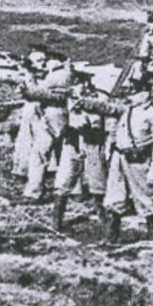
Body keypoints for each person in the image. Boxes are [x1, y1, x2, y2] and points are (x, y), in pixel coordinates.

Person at [76, 71, 153, 242]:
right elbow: (106, 108)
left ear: (145, 93)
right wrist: (84, 103)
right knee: (114, 197)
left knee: (145, 199)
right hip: (119, 158)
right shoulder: (128, 110)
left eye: (134, 91)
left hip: (138, 160)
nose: (130, 94)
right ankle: (111, 237)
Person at [51, 70, 110, 230]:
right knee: (63, 181)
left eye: (85, 82)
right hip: (73, 143)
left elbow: (108, 125)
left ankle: (106, 220)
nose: (82, 86)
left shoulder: (101, 98)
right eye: (78, 82)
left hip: (93, 143)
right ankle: (56, 221)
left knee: (98, 184)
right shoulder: (69, 98)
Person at [19, 51, 73, 203]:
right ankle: (73, 190)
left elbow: (45, 93)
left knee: (40, 154)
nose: (44, 63)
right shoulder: (62, 73)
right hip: (56, 115)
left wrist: (28, 87)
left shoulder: (58, 75)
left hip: (53, 116)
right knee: (62, 154)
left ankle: (34, 192)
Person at [11, 46, 48, 179]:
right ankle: (22, 168)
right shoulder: (28, 76)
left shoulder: (48, 76)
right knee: (27, 138)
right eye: (39, 61)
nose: (43, 63)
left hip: (43, 109)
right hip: (32, 109)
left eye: (44, 60)